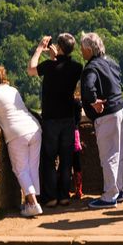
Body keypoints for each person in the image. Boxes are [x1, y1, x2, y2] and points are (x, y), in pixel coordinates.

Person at [29, 33, 85, 207]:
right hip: (68, 118)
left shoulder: (48, 66)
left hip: (51, 119)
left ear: (58, 48)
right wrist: (56, 58)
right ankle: (64, 196)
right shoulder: (77, 67)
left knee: (49, 158)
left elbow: (31, 70)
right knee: (66, 158)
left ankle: (51, 197)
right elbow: (63, 69)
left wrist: (40, 49)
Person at [0, 64, 43, 217]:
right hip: (33, 128)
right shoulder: (13, 90)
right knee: (32, 167)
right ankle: (32, 201)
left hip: (17, 133)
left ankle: (33, 204)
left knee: (20, 169)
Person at [78, 33, 123, 209]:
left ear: (89, 50)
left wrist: (93, 101)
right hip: (121, 108)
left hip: (107, 114)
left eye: (82, 49)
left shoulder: (91, 68)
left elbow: (88, 86)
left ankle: (109, 196)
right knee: (119, 154)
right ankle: (118, 191)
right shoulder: (110, 61)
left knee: (108, 157)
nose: (81, 52)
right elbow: (119, 78)